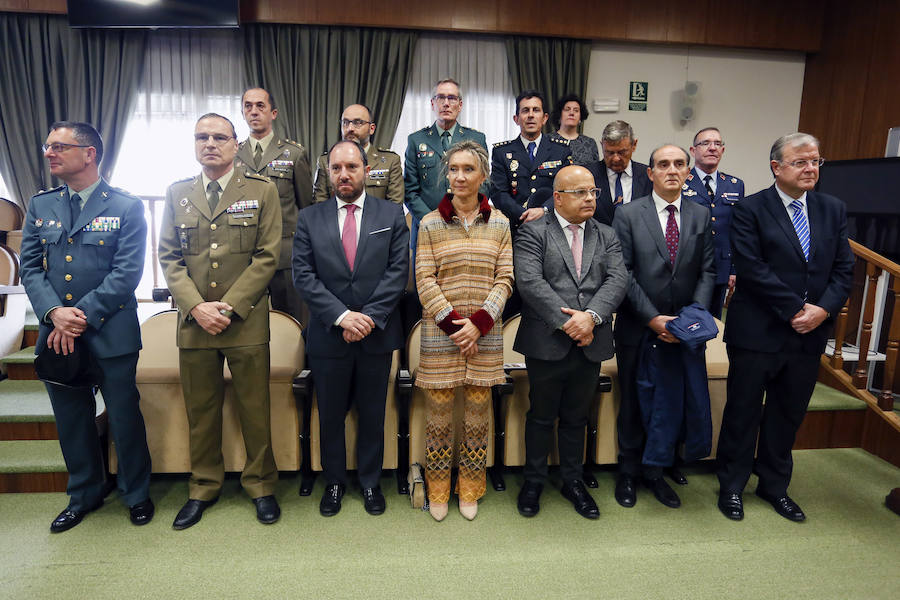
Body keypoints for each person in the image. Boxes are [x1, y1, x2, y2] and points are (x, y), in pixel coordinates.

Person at [20, 121, 153, 533]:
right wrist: (52, 314)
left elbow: (127, 272)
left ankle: (136, 493)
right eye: (48, 146)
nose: (49, 153)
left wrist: (80, 316)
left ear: (89, 153)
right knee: (71, 420)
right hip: (57, 335)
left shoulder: (126, 206)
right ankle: (84, 494)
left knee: (124, 416)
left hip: (110, 332)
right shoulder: (41, 206)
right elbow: (30, 267)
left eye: (59, 146)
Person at [716, 133, 853, 522]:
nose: (811, 169)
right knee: (743, 411)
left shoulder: (832, 209)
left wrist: (822, 311)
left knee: (787, 413)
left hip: (808, 335)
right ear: (777, 167)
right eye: (801, 162)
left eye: (816, 162)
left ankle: (775, 486)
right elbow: (752, 268)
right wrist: (797, 308)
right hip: (758, 331)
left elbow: (844, 269)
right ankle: (731, 486)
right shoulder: (750, 209)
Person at [159, 113, 282, 529]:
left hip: (245, 321)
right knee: (202, 411)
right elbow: (169, 259)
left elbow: (268, 255)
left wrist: (227, 307)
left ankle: (262, 486)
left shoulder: (262, 191)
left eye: (219, 137)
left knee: (255, 409)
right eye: (201, 137)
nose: (209, 143)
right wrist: (196, 307)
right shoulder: (178, 193)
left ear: (235, 144)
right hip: (194, 324)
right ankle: (202, 487)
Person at [293, 140, 409, 517]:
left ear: (365, 170)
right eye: (337, 168)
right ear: (328, 173)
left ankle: (372, 483)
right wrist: (343, 316)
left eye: (352, 167)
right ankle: (335, 482)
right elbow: (304, 276)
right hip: (329, 335)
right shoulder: (310, 218)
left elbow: (397, 273)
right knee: (330, 414)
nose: (345, 174)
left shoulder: (392, 215)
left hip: (377, 334)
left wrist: (368, 317)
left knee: (374, 412)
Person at [513, 165, 628, 520]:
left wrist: (590, 318)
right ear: (558, 197)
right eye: (581, 192)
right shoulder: (534, 233)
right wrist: (570, 323)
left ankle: (572, 481)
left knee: (577, 417)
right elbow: (530, 282)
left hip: (591, 341)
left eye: (593, 191)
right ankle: (533, 481)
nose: (590, 198)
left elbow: (618, 279)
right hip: (547, 340)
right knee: (541, 416)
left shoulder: (606, 234)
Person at [611, 144, 715, 510]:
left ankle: (655, 472)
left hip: (684, 331)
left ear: (689, 171)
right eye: (663, 164)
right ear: (650, 172)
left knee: (671, 403)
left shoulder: (701, 215)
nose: (672, 170)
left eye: (679, 164)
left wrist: (688, 322)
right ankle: (628, 472)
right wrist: (653, 319)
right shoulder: (627, 214)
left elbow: (707, 271)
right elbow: (621, 272)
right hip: (638, 327)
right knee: (633, 403)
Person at [415, 140, 513, 521]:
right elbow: (424, 280)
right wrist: (458, 326)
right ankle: (438, 489)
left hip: (485, 337)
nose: (459, 176)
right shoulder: (430, 223)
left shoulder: (501, 223)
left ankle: (470, 487)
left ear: (483, 175)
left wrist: (480, 325)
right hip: (442, 337)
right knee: (438, 417)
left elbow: (505, 279)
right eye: (453, 169)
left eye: (468, 169)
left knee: (477, 415)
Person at [236, 87, 313, 325]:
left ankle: (300, 364)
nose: (254, 111)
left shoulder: (294, 153)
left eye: (260, 106)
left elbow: (306, 207)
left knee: (293, 322)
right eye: (248, 106)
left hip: (285, 254)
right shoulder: (233, 155)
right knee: (247, 323)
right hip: (244, 255)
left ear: (274, 113)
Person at [405, 78, 488, 258]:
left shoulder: (476, 139)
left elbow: (484, 184)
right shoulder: (416, 140)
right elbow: (410, 191)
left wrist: (466, 218)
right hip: (427, 229)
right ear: (432, 103)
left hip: (467, 228)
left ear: (460, 104)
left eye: (451, 98)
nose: (446, 103)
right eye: (441, 98)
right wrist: (432, 221)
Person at [685, 127, 745, 319]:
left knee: (713, 323)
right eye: (705, 143)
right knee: (685, 320)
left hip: (721, 266)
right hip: (687, 266)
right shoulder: (681, 181)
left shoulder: (735, 184)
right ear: (693, 151)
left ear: (723, 150)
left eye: (717, 144)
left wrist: (734, 269)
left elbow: (738, 230)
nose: (712, 148)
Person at [490, 90, 573, 229]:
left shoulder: (561, 150)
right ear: (516, 119)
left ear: (544, 118)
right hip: (517, 226)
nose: (530, 115)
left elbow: (567, 189)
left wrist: (544, 210)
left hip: (551, 225)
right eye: (525, 110)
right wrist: (524, 215)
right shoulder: (501, 152)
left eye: (536, 110)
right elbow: (499, 193)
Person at [313, 104, 403, 205]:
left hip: (377, 220)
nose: (350, 128)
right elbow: (319, 206)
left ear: (371, 128)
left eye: (358, 123)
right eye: (345, 123)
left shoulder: (390, 161)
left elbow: (394, 207)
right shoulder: (325, 161)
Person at [587, 120, 652, 226]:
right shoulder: (587, 175)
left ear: (634, 145)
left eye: (622, 152)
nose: (616, 158)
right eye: (610, 152)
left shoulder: (649, 176)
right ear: (602, 145)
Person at [548, 94, 599, 166]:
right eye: (567, 109)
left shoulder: (590, 143)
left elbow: (596, 171)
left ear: (580, 118)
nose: (571, 113)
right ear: (559, 115)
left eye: (576, 110)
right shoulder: (547, 140)